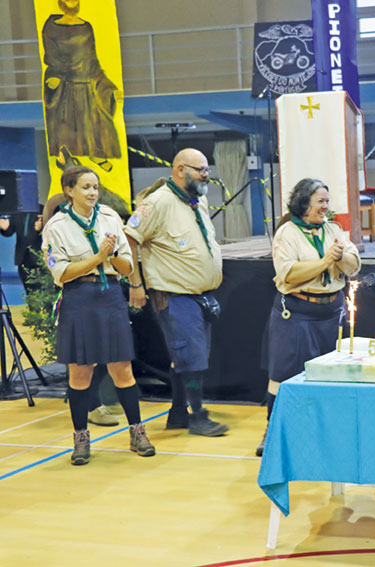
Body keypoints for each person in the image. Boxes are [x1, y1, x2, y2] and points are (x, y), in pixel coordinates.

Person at [41, 166, 154, 465]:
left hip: (110, 295)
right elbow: (62, 272)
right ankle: (80, 437)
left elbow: (127, 266)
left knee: (122, 369)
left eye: (96, 187)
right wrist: (97, 258)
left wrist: (113, 257)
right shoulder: (58, 226)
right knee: (80, 372)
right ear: (70, 190)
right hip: (79, 297)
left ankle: (137, 432)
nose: (93, 193)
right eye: (86, 187)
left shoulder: (109, 217)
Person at [124, 148, 228, 437]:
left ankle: (178, 413)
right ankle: (198, 417)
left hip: (199, 296)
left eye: (207, 169)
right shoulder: (157, 203)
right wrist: (136, 283)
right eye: (201, 170)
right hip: (173, 296)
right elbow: (129, 238)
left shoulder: (198, 201)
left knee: (185, 358)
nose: (207, 175)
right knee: (191, 359)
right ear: (180, 169)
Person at [257, 178, 361, 456]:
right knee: (282, 374)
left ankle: (324, 431)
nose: (326, 207)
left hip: (330, 311)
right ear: (304, 203)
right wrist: (326, 261)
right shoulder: (287, 233)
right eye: (320, 201)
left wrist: (339, 259)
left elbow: (352, 266)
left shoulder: (334, 229)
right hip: (296, 312)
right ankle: (272, 430)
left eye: (327, 201)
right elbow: (288, 273)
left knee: (328, 375)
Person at [41, 0, 121, 169]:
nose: (72, 3)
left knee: (96, 120)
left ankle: (96, 153)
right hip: (65, 82)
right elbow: (51, 57)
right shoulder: (51, 28)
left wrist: (107, 85)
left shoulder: (86, 27)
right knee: (66, 124)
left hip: (86, 80)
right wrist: (56, 76)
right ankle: (68, 160)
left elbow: (92, 59)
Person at [0, 211, 43, 296]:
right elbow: (9, 231)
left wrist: (41, 229)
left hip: (39, 258)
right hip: (22, 257)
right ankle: (32, 308)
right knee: (28, 289)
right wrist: (5, 228)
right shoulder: (17, 212)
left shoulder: (42, 210)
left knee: (42, 288)